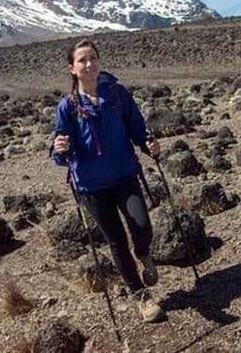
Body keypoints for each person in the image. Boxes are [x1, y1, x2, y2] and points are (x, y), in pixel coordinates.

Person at [52, 39, 164, 323]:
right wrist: (60, 149)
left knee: (141, 225)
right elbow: (59, 148)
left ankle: (144, 252)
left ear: (99, 62)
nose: (89, 64)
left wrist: (147, 143)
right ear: (72, 69)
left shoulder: (116, 94)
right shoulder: (67, 107)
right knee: (115, 242)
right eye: (82, 60)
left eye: (93, 58)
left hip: (125, 174)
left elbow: (136, 126)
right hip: (91, 186)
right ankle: (140, 296)